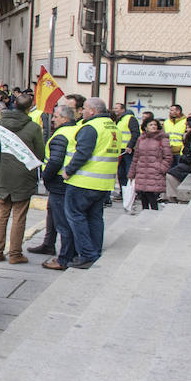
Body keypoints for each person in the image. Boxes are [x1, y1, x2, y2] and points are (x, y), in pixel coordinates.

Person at [62, 97, 120, 268]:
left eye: (85, 109)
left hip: (84, 181)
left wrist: (68, 171)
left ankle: (87, 254)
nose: (82, 112)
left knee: (76, 216)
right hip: (103, 182)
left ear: (93, 111)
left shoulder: (91, 127)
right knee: (95, 217)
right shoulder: (111, 126)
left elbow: (82, 153)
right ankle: (95, 251)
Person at [0, 93, 44, 266]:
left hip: (2, 174)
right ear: (29, 108)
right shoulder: (33, 128)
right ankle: (15, 253)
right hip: (23, 176)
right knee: (19, 216)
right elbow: (40, 154)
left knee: (1, 215)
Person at [39, 104, 83, 270]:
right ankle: (72, 253)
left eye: (56, 116)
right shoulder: (77, 130)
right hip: (72, 182)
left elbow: (55, 160)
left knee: (63, 224)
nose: (54, 120)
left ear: (65, 118)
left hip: (59, 183)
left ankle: (64, 259)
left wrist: (45, 176)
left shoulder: (61, 134)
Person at [128, 118, 171, 211]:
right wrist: (131, 173)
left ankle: (154, 218)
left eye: (155, 125)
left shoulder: (162, 139)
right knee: (143, 197)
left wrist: (161, 168)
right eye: (151, 125)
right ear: (145, 127)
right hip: (142, 173)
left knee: (152, 197)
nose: (153, 126)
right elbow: (136, 157)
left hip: (154, 173)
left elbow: (168, 157)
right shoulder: (141, 139)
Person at [112, 102, 141, 200]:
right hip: (120, 150)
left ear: (123, 109)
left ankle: (131, 192)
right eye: (114, 108)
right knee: (121, 172)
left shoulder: (130, 118)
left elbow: (135, 133)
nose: (114, 110)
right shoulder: (118, 120)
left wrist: (130, 146)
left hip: (128, 150)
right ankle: (123, 192)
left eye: (117, 108)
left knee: (129, 172)